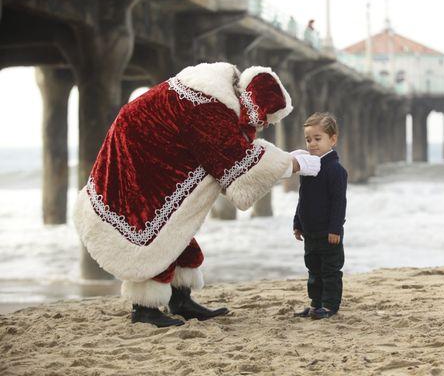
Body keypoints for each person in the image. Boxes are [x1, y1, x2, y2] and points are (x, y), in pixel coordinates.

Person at [73, 62, 321, 327]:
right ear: (256, 106)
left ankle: (180, 300)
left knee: (177, 227)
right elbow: (237, 166)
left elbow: (227, 160)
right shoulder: (210, 109)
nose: (262, 127)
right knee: (155, 227)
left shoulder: (216, 94)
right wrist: (292, 164)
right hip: (141, 151)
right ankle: (144, 308)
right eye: (264, 120)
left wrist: (282, 162)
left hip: (145, 141)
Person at [291, 112, 348, 320]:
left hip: (328, 233)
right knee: (313, 270)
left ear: (332, 140)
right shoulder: (309, 168)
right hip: (310, 232)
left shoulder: (336, 170)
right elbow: (302, 199)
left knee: (330, 271)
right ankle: (316, 305)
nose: (312, 144)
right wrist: (298, 223)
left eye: (318, 139)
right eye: (308, 140)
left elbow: (339, 203)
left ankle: (330, 306)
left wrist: (335, 229)